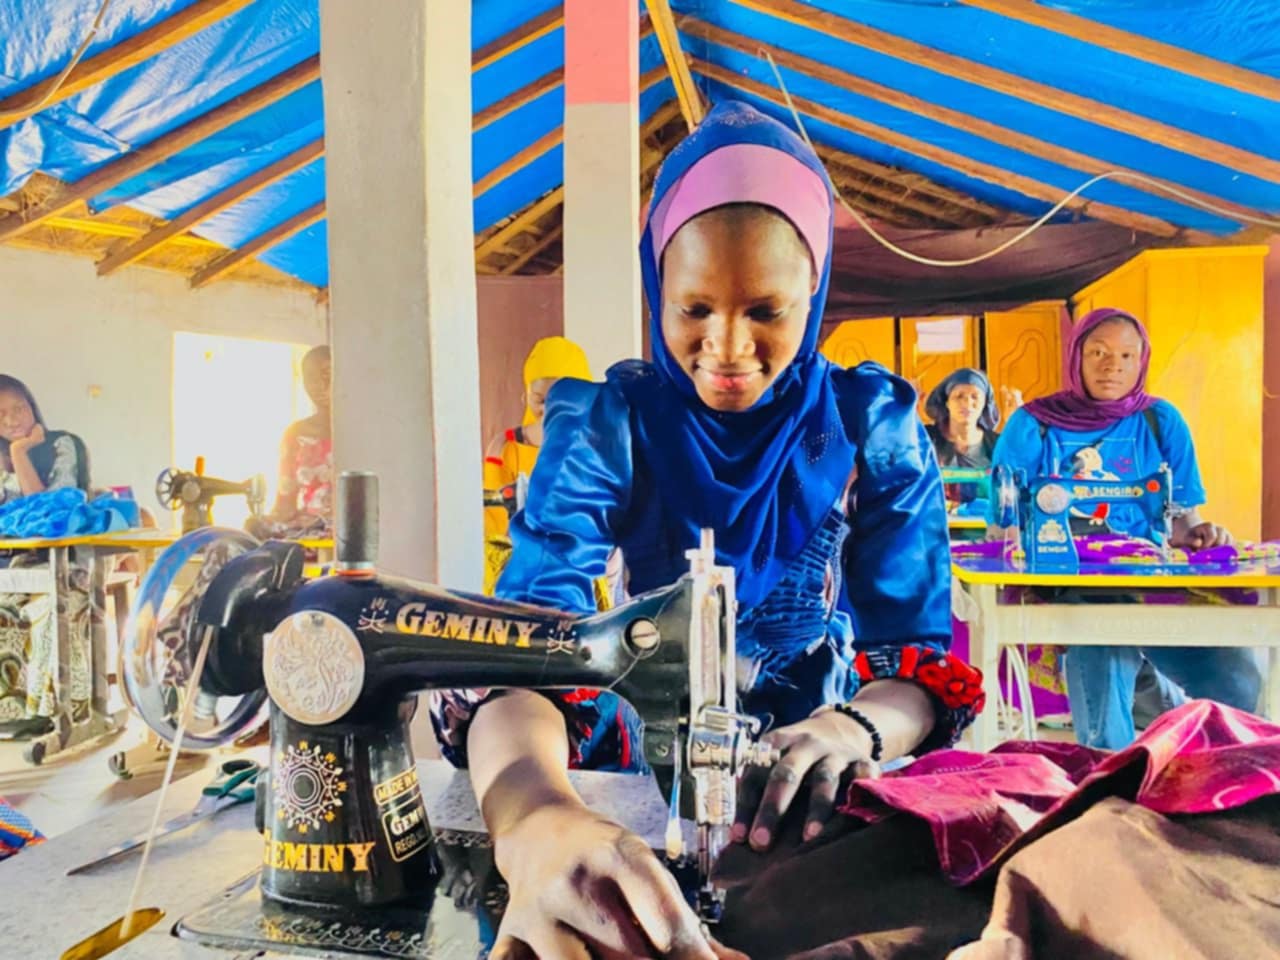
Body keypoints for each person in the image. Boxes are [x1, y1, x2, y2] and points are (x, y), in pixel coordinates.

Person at [430, 101, 983, 960]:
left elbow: (914, 660)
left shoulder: (868, 426)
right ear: (660, 287)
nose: (727, 347)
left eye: (766, 310)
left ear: (816, 291)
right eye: (694, 310)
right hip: (628, 776)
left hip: (822, 774)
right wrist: (536, 819)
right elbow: (524, 661)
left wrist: (853, 730)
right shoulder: (612, 425)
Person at [988, 307, 1261, 749]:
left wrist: (1200, 532)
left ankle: (1215, 767)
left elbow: (1182, 519)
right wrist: (1015, 540)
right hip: (1065, 579)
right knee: (1101, 641)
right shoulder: (1034, 425)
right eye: (1097, 352)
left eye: (1126, 355)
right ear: (1076, 357)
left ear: (1141, 361)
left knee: (1236, 675)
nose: (1112, 365)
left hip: (1151, 578)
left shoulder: (1160, 420)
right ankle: (1107, 772)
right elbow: (1003, 527)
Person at [0, 376, 91, 739]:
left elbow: (47, 514)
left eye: (19, 407)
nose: (11, 419)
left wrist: (21, 453)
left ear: (33, 405)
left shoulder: (62, 446)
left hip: (62, 562)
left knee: (52, 607)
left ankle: (56, 712)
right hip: (10, 567)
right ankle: (10, 715)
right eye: (0, 413)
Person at [482, 336, 591, 594]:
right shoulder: (504, 448)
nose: (547, 409)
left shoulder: (597, 449)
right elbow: (494, 526)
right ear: (525, 395)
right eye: (539, 398)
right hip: (518, 573)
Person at [263, 345, 332, 535]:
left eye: (327, 374)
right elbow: (285, 502)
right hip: (309, 532)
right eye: (311, 378)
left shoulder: (364, 431)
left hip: (353, 536)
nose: (319, 384)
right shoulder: (295, 435)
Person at [0, 375, 89, 503]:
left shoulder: (62, 443)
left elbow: (48, 508)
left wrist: (18, 452)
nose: (12, 422)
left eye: (18, 409)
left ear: (31, 407)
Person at [924, 368, 1000, 509]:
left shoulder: (998, 444)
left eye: (975, 397)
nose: (967, 403)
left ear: (985, 403)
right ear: (947, 402)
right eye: (959, 396)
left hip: (987, 528)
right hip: (936, 526)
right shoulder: (925, 439)